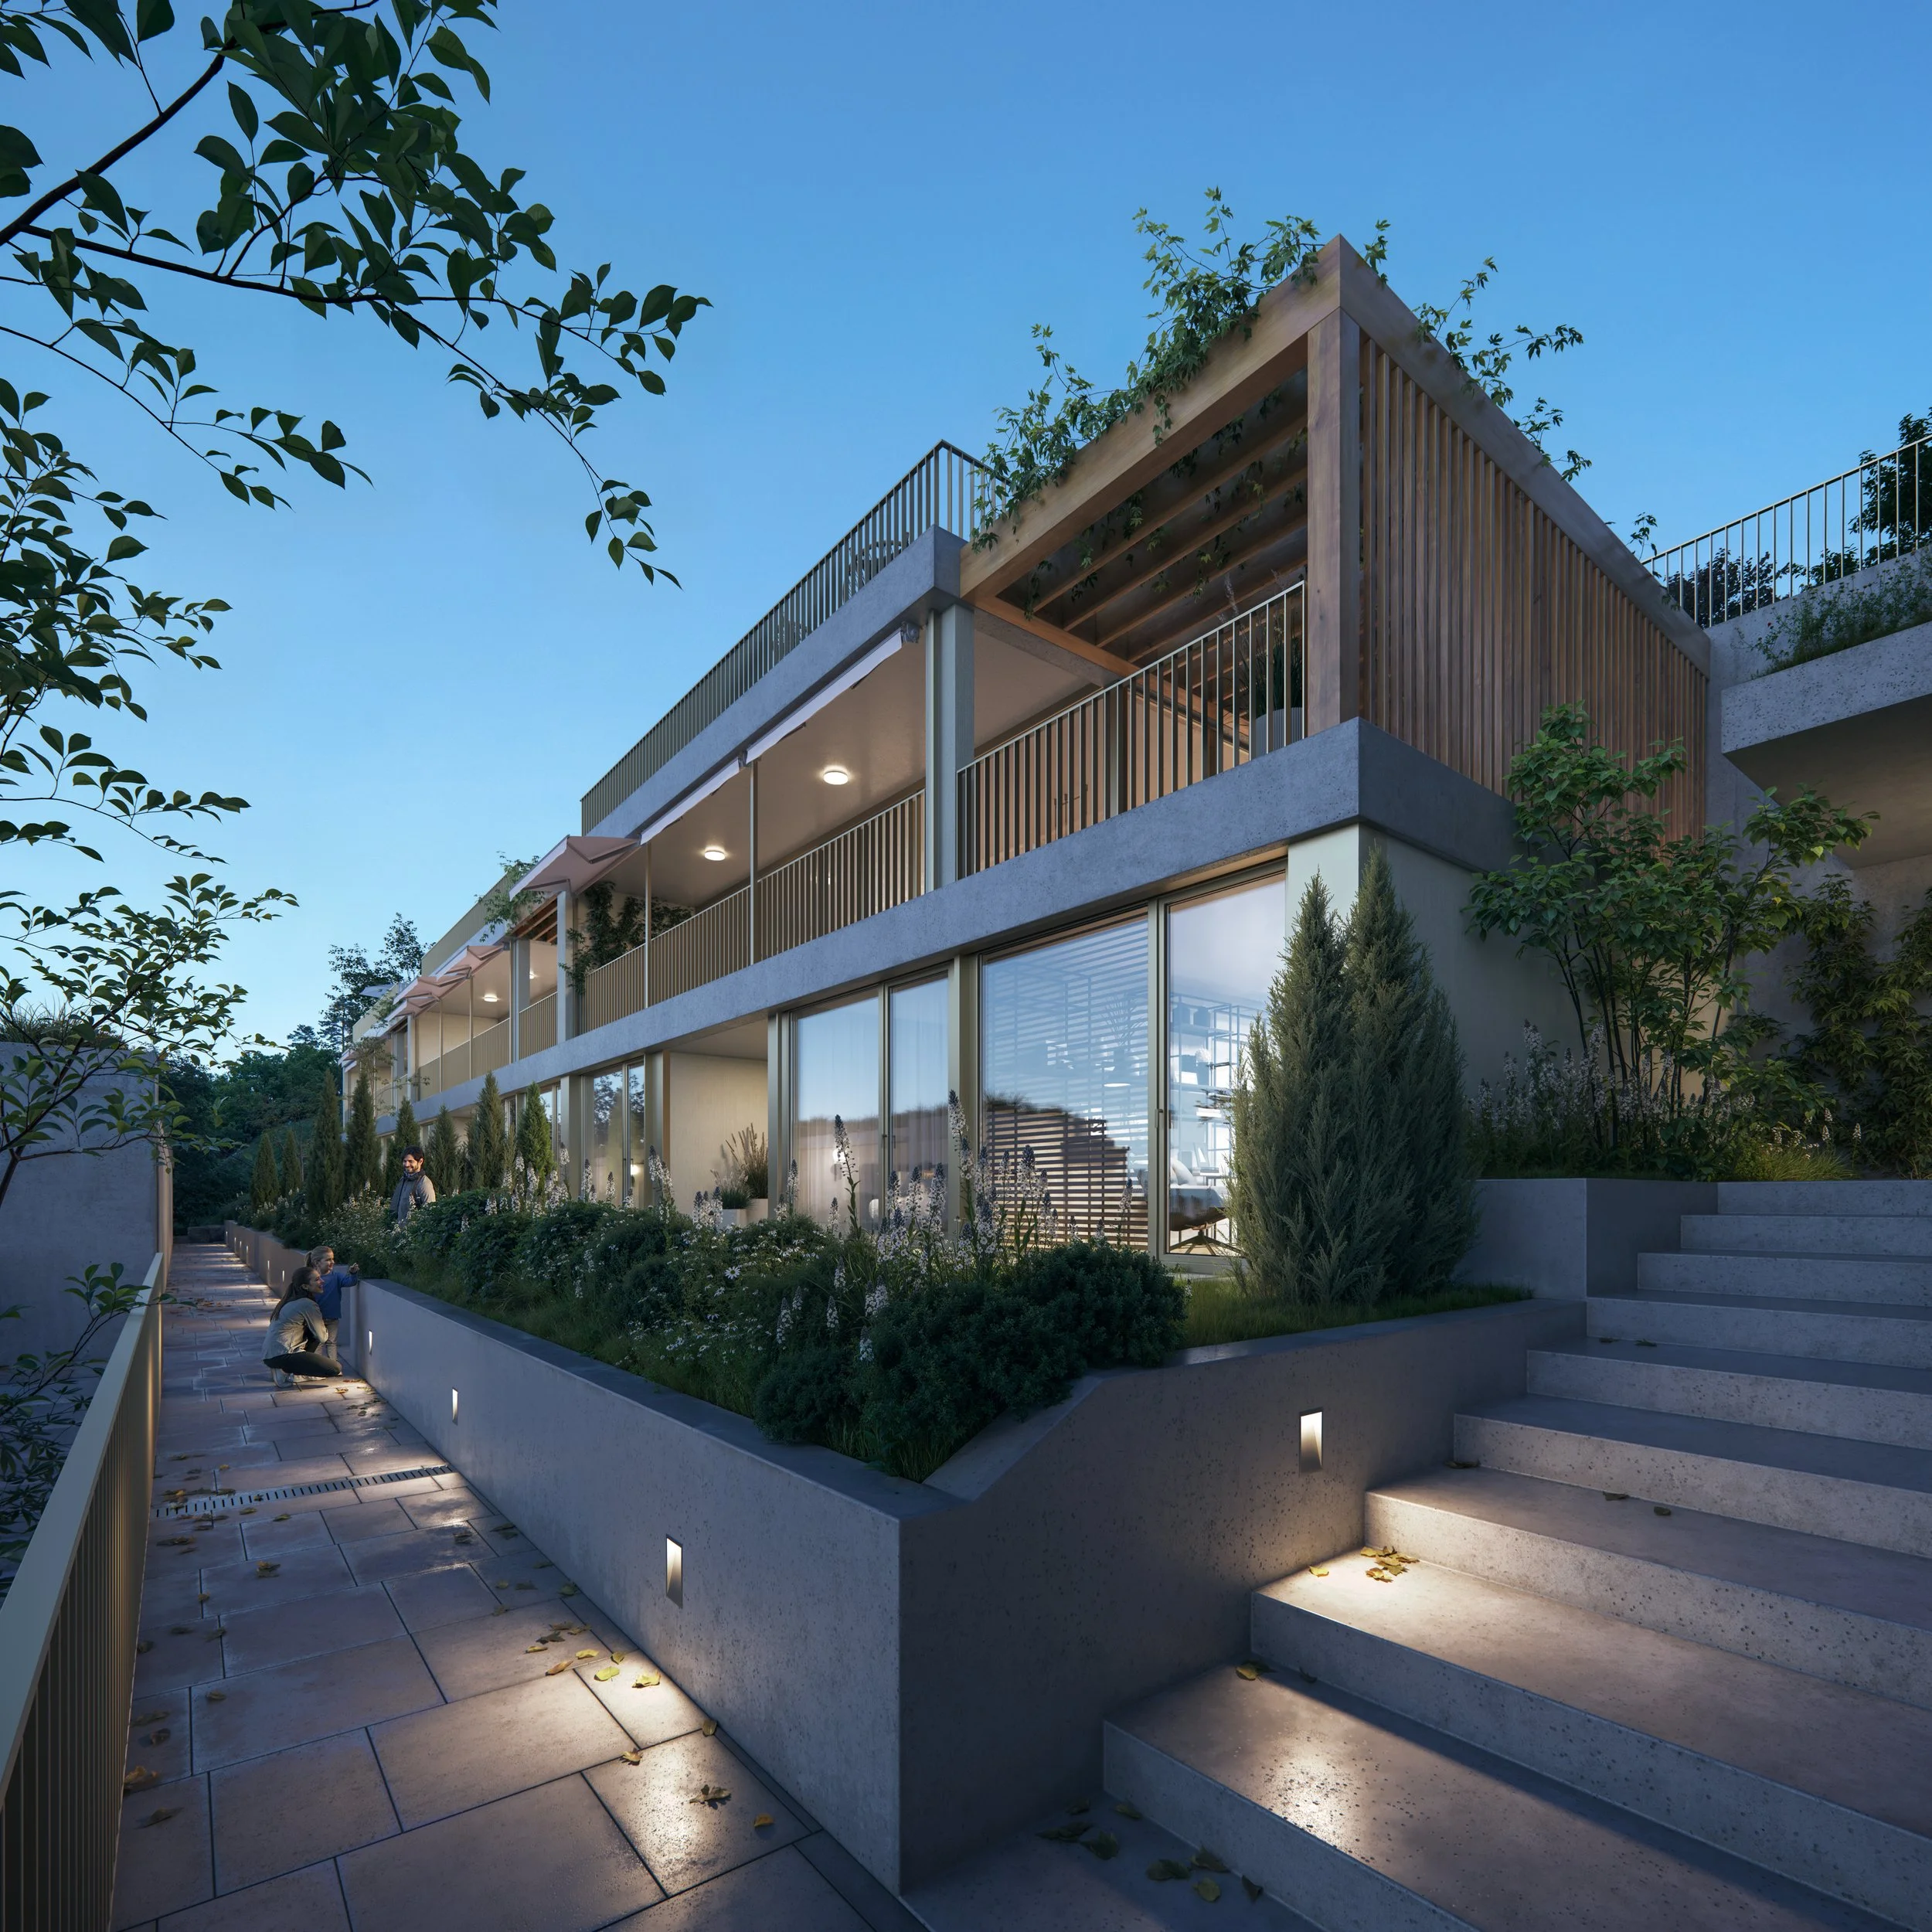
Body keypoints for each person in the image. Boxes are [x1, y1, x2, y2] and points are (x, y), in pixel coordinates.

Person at [263, 1267, 341, 1386]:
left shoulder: (291, 1300)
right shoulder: (307, 1304)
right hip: (284, 1355)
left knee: (312, 1332)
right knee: (335, 1368)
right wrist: (321, 1322)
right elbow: (323, 1338)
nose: (322, 1281)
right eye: (317, 1279)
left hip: (271, 1355)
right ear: (305, 1287)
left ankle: (285, 1369)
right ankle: (287, 1373)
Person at [308, 1245, 359, 1363]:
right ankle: (318, 1366)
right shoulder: (311, 1277)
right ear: (317, 1262)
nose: (332, 1262)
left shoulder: (336, 1277)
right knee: (318, 1343)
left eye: (332, 1259)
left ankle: (333, 1366)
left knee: (331, 1342)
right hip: (316, 1318)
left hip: (332, 1317)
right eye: (328, 1260)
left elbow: (350, 1282)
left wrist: (353, 1273)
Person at [391, 1145, 436, 1226]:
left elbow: (430, 1212)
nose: (407, 1164)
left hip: (414, 1234)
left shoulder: (424, 1183)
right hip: (399, 1233)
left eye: (411, 1161)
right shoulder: (403, 1180)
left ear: (421, 1161)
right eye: (405, 1161)